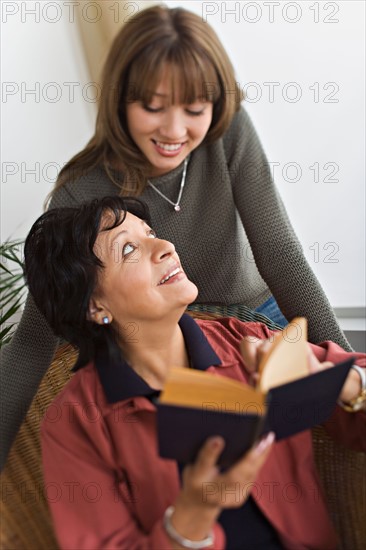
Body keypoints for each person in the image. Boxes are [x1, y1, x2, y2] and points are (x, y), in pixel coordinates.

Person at [0, 4, 353, 471]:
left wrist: (350, 368)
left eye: (194, 109)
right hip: (171, 342)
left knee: (333, 438)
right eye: (152, 107)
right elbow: (33, 341)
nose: (173, 131)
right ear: (121, 100)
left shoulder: (229, 134)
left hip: (260, 324)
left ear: (215, 106)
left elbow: (281, 255)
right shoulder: (80, 192)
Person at [23, 196, 365, 550]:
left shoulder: (245, 341)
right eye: (128, 249)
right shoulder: (76, 423)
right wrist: (195, 512)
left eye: (151, 232)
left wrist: (336, 380)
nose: (166, 246)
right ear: (94, 306)